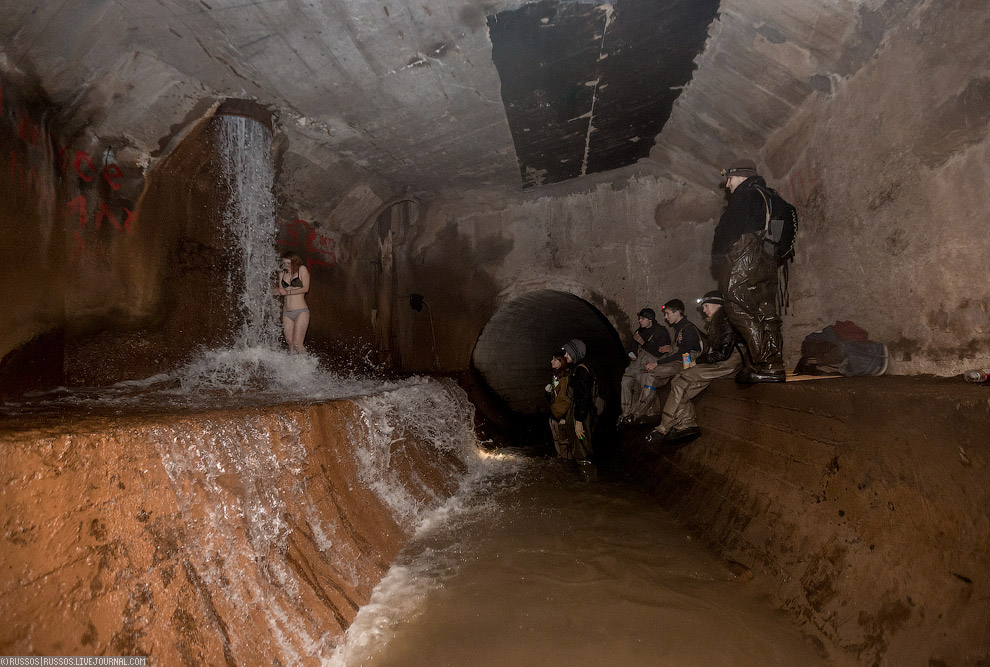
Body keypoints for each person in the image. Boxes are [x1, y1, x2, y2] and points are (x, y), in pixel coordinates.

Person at [711, 160, 785, 383]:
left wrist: (716, 259)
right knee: (766, 309)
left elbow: (725, 232)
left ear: (742, 177)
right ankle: (775, 363)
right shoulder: (773, 196)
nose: (727, 185)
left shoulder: (744, 195)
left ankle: (764, 362)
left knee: (736, 304)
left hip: (744, 256)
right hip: (769, 260)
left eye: (730, 179)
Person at [646, 291, 743, 444]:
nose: (703, 310)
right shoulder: (717, 321)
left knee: (682, 380)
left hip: (728, 363)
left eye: (706, 306)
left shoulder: (726, 320)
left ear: (718, 305)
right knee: (680, 382)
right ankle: (687, 425)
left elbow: (723, 354)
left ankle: (664, 427)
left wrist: (697, 361)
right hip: (720, 361)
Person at [618, 308, 672, 425]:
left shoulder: (661, 332)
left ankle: (650, 412)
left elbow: (660, 352)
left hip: (652, 363)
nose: (639, 321)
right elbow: (632, 346)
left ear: (650, 320)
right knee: (625, 381)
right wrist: (631, 353)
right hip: (637, 363)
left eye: (642, 319)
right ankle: (626, 413)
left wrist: (643, 343)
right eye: (639, 318)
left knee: (645, 381)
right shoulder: (639, 331)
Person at [562, 338, 598, 482]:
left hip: (581, 415)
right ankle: (587, 481)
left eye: (568, 353)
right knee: (581, 445)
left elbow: (583, 397)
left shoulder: (581, 371)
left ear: (575, 353)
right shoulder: (582, 368)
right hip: (582, 413)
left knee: (581, 446)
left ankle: (589, 485)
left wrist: (578, 421)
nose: (565, 356)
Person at [275, 252, 310, 354]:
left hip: (301, 311)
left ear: (295, 262)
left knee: (297, 344)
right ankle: (294, 366)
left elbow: (306, 288)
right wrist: (275, 290)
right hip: (287, 313)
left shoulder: (301, 269)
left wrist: (288, 292)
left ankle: (305, 364)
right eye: (284, 263)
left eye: (288, 263)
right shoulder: (282, 273)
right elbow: (281, 291)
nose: (286, 265)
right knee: (290, 343)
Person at [545, 351, 572, 458]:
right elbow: (554, 397)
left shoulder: (566, 377)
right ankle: (561, 459)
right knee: (556, 439)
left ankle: (566, 463)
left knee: (564, 441)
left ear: (562, 362)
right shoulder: (555, 375)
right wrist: (548, 393)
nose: (552, 361)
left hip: (561, 415)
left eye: (555, 359)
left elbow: (566, 398)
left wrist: (563, 416)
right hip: (554, 414)